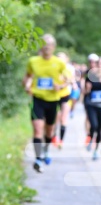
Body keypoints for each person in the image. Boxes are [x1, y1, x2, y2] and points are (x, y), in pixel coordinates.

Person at [23, 34, 69, 172]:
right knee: (37, 129)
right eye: (44, 44)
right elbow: (27, 76)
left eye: (49, 45)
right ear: (41, 46)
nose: (46, 47)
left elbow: (68, 79)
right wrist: (26, 85)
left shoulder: (59, 63)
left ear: (53, 47)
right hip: (37, 99)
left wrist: (60, 86)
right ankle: (38, 159)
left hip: (53, 101)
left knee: (49, 131)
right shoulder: (33, 61)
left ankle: (46, 149)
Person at [54, 52, 76, 148]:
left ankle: (61, 141)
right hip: (54, 96)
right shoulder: (53, 67)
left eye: (62, 58)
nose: (60, 60)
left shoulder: (68, 69)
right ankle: (54, 136)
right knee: (55, 118)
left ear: (66, 59)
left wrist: (63, 85)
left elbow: (71, 80)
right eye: (58, 58)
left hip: (65, 95)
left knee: (63, 118)